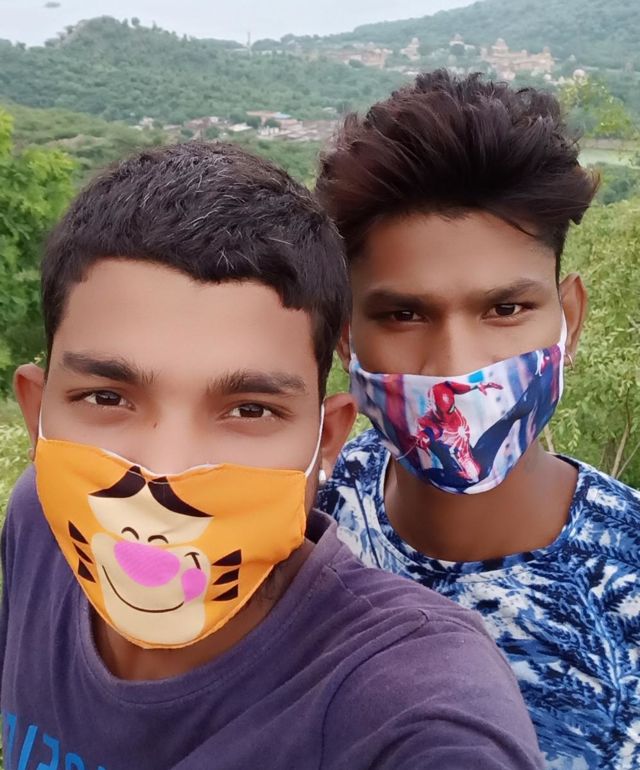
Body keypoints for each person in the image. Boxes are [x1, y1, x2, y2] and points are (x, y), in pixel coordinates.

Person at [0, 142, 543, 770]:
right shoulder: (39, 527)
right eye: (106, 397)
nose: (168, 472)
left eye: (249, 410)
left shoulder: (405, 695)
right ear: (38, 414)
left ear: (326, 441)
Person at [316, 70, 640, 769]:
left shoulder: (627, 580)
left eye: (505, 309)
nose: (456, 369)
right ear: (345, 336)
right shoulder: (296, 525)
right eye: (404, 314)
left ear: (570, 319)